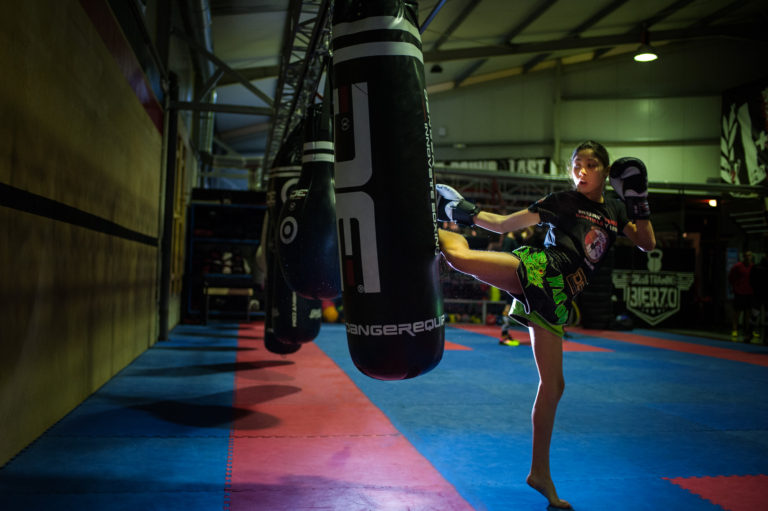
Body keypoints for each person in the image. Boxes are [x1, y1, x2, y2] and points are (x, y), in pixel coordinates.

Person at [435, 141, 656, 509]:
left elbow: (647, 242)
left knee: (554, 386)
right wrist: (470, 212)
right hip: (541, 269)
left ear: (604, 171)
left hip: (557, 295)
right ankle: (431, 220)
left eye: (590, 165)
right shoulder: (564, 201)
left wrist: (639, 201)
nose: (581, 171)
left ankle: (539, 473)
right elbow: (505, 225)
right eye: (576, 165)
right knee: (462, 261)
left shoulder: (617, 209)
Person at [729, 250, 756, 341]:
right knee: (737, 312)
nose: (749, 257)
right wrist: (735, 287)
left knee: (748, 313)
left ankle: (747, 330)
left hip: (749, 292)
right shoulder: (737, 266)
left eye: (750, 255)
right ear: (744, 257)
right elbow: (731, 277)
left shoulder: (753, 267)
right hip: (739, 292)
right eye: (747, 256)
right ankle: (735, 329)